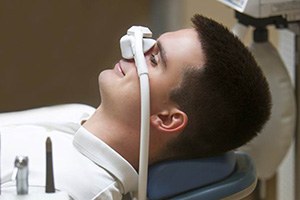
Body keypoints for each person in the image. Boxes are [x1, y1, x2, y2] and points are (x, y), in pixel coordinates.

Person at [0, 14, 271, 200]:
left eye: (154, 60)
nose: (133, 50)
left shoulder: (70, 190)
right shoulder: (81, 116)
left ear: (167, 119)